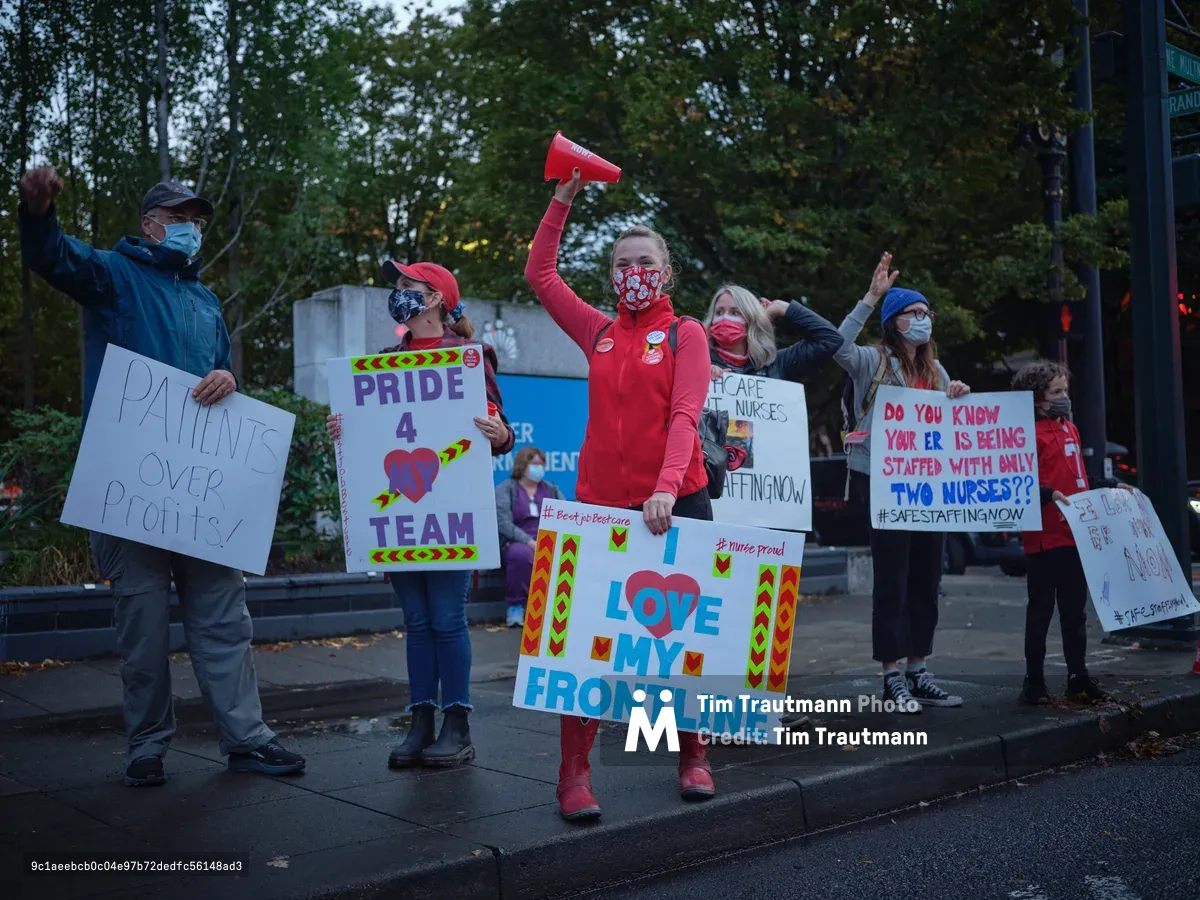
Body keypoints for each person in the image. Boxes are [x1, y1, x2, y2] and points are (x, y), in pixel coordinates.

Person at [17, 166, 305, 786]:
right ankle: (147, 745)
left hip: (202, 496)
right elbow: (54, 258)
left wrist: (229, 381)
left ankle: (247, 739)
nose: (190, 231)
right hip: (131, 492)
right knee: (142, 626)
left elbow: (222, 379)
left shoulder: (206, 302)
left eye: (196, 222)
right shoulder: (115, 275)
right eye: (179, 220)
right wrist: (38, 214)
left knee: (224, 619)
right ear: (149, 226)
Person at [525, 167, 715, 822]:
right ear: (612, 275)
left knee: (681, 640)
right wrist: (562, 198)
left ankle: (693, 755)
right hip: (600, 509)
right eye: (623, 262)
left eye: (645, 260)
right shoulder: (599, 332)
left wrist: (664, 491)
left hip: (677, 504)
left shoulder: (687, 333)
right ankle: (572, 774)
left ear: (665, 271)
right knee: (582, 645)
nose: (634, 269)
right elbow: (541, 277)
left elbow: (684, 418)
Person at [327, 260, 513, 768]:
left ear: (435, 299)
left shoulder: (471, 358)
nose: (398, 293)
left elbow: (501, 432)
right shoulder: (384, 363)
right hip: (403, 520)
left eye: (408, 286)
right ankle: (421, 720)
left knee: (447, 620)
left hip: (452, 513)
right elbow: (372, 439)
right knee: (416, 621)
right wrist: (343, 430)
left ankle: (458, 724)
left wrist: (501, 436)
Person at [834, 252, 971, 714]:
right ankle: (892, 676)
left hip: (928, 489)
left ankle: (919, 669)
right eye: (915, 313)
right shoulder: (871, 361)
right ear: (895, 321)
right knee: (891, 580)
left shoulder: (936, 373)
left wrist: (957, 398)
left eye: (927, 313)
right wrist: (870, 298)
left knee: (927, 578)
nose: (924, 320)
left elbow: (952, 431)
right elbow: (836, 344)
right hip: (884, 484)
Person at [1011, 360, 1132, 706]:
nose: (1064, 397)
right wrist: (1049, 496)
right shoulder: (1027, 435)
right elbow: (1018, 484)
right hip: (1045, 537)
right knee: (1040, 611)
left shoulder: (1070, 429)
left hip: (1076, 535)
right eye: (1056, 392)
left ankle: (1077, 677)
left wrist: (1109, 486)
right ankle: (1033, 681)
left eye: (1066, 390)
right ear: (1036, 399)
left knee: (1075, 611)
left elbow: (1079, 478)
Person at [704, 284, 843, 383]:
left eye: (735, 312)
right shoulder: (698, 360)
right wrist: (699, 374)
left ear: (751, 319)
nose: (725, 318)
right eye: (719, 312)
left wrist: (785, 308)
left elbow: (831, 339)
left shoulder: (776, 364)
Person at [496, 446, 564, 628]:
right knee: (521, 555)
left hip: (549, 538)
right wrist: (529, 541)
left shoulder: (551, 489)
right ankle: (517, 606)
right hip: (518, 540)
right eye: (535, 464)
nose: (539, 468)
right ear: (522, 465)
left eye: (542, 464)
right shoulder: (506, 489)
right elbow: (503, 522)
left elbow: (565, 515)